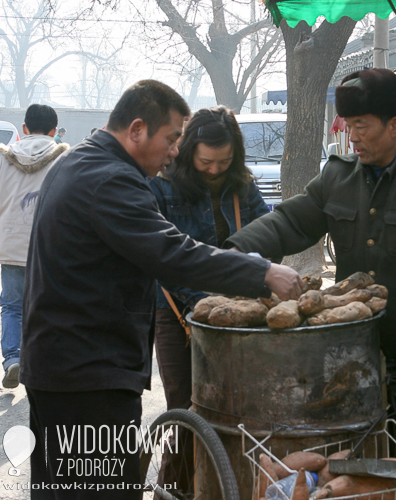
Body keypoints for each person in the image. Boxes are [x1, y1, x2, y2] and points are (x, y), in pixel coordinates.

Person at [20, 80, 304, 499]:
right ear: (137, 130)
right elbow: (171, 252)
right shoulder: (111, 179)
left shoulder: (79, 160)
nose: (175, 151)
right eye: (172, 139)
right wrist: (261, 271)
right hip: (87, 376)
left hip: (59, 366)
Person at [225, 68, 396, 425]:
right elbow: (290, 221)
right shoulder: (337, 176)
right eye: (348, 125)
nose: (352, 136)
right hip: (359, 346)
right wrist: (239, 251)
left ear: (394, 125)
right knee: (359, 455)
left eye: (361, 126)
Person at [148, 106, 270, 488]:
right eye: (206, 162)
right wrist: (204, 303)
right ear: (188, 152)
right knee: (187, 413)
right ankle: (174, 490)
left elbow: (267, 232)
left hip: (239, 315)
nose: (215, 169)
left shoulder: (243, 184)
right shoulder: (162, 184)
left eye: (224, 161)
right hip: (176, 314)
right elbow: (162, 256)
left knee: (237, 412)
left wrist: (263, 272)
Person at [0, 104, 67, 389]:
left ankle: (13, 359)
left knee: (12, 306)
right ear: (54, 130)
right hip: (51, 249)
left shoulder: (2, 160)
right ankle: (44, 364)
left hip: (11, 245)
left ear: (24, 129)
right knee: (50, 306)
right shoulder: (65, 158)